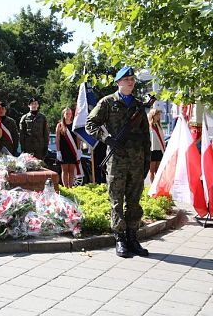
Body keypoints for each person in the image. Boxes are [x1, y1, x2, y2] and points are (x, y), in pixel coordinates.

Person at [86, 66, 151, 258]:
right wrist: (107, 139)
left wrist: (146, 161)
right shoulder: (107, 102)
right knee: (116, 201)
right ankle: (120, 238)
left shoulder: (138, 105)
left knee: (134, 201)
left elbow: (146, 136)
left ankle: (133, 237)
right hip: (116, 161)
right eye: (126, 79)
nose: (130, 82)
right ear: (118, 82)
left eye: (132, 79)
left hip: (137, 161)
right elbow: (90, 124)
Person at [55, 107, 81, 188]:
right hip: (63, 150)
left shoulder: (74, 124)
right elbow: (57, 139)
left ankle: (70, 188)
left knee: (72, 171)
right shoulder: (59, 125)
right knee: (65, 170)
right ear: (63, 114)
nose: (68, 115)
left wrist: (79, 150)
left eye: (70, 113)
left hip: (72, 150)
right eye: (67, 113)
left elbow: (78, 138)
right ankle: (66, 188)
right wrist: (58, 151)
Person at [148, 108, 166, 183]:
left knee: (158, 170)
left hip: (159, 150)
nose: (159, 116)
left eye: (159, 115)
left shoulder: (159, 126)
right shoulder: (149, 126)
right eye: (157, 114)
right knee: (152, 170)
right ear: (153, 115)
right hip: (152, 150)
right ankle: (152, 186)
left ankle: (157, 186)